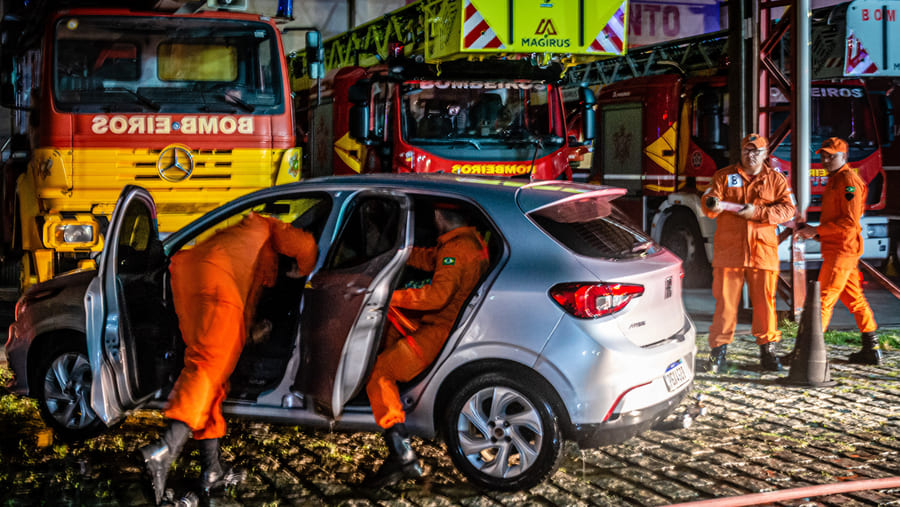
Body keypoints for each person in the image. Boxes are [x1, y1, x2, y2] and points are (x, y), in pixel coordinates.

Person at [137, 211, 318, 505]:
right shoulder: (269, 227)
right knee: (208, 370)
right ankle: (163, 451)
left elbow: (241, 307)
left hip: (190, 282)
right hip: (215, 285)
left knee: (213, 378)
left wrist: (246, 334)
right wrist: (304, 270)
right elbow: (306, 246)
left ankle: (212, 470)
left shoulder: (243, 242)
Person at [363, 202, 490, 487]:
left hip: (439, 334)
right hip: (450, 327)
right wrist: (399, 254)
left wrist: (389, 297)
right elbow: (433, 259)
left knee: (379, 372)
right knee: (392, 327)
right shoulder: (468, 242)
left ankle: (400, 452)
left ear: (438, 215)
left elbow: (436, 298)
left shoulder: (456, 250)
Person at [701, 133, 796, 373]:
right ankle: (718, 353)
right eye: (746, 150)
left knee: (765, 303)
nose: (750, 154)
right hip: (730, 252)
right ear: (741, 152)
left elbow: (787, 211)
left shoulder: (776, 180)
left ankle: (768, 351)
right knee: (725, 304)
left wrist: (757, 212)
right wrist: (710, 201)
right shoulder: (724, 176)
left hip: (762, 252)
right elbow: (710, 200)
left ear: (765, 155)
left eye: (756, 151)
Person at [795, 137, 881, 364]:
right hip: (841, 249)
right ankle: (871, 348)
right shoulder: (838, 179)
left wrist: (816, 231)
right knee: (854, 298)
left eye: (831, 155)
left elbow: (850, 223)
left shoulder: (848, 181)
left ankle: (808, 353)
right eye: (823, 155)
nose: (825, 159)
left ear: (844, 157)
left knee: (822, 300)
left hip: (842, 250)